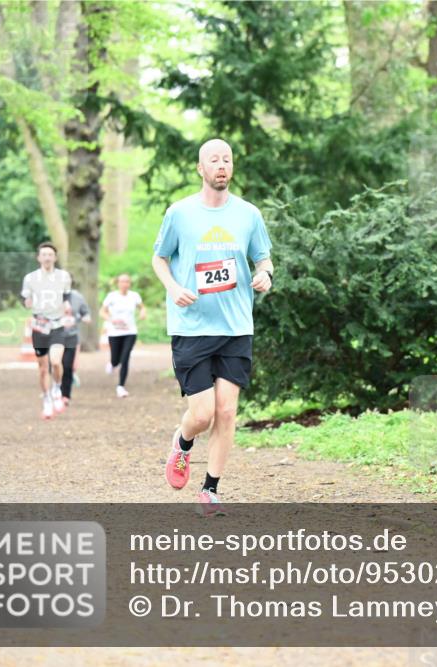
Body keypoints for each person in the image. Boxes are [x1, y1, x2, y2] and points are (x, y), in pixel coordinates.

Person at [152, 138, 273, 516]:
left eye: (226, 159)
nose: (221, 165)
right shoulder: (180, 213)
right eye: (213, 160)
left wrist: (264, 274)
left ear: (232, 167)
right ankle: (184, 442)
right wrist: (173, 287)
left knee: (226, 412)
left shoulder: (248, 214)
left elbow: (263, 258)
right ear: (200, 169)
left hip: (236, 326)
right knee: (202, 414)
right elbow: (159, 259)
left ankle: (210, 489)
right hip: (191, 327)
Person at [21, 242, 72, 420]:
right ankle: (47, 401)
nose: (47, 257)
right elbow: (25, 297)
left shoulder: (64, 276)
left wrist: (67, 305)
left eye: (50, 254)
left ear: (55, 258)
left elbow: (67, 295)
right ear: (39, 258)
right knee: (43, 369)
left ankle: (57, 388)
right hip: (39, 326)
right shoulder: (30, 278)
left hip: (57, 324)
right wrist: (27, 303)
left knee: (56, 362)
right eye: (44, 254)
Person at [100, 273, 146, 398]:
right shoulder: (112, 296)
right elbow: (102, 312)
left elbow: (142, 307)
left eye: (127, 281)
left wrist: (142, 312)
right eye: (122, 281)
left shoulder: (134, 296)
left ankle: (121, 386)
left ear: (130, 283)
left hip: (130, 332)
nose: (125, 284)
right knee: (116, 359)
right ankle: (112, 364)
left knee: (125, 358)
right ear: (118, 283)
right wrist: (111, 319)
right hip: (114, 332)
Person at [60, 286, 91, 406]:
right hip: (54, 336)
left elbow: (86, 314)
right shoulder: (51, 296)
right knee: (55, 365)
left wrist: (79, 318)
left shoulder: (77, 297)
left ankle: (65, 395)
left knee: (68, 366)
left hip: (71, 337)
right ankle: (55, 388)